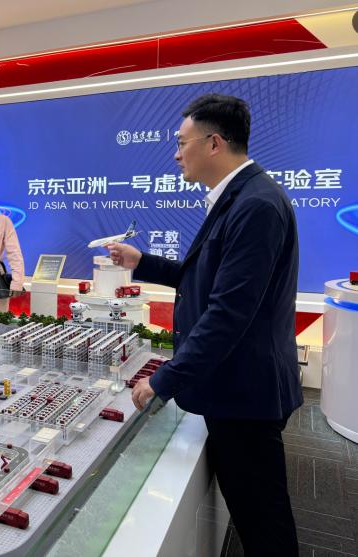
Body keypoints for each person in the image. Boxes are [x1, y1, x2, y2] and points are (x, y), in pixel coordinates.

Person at [107, 93, 301, 556]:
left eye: (182, 142)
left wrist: (164, 379)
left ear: (214, 143)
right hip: (234, 387)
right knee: (254, 511)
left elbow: (229, 314)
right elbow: (205, 277)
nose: (176, 154)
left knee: (265, 525)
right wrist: (142, 262)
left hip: (245, 392)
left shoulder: (256, 205)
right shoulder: (239, 197)